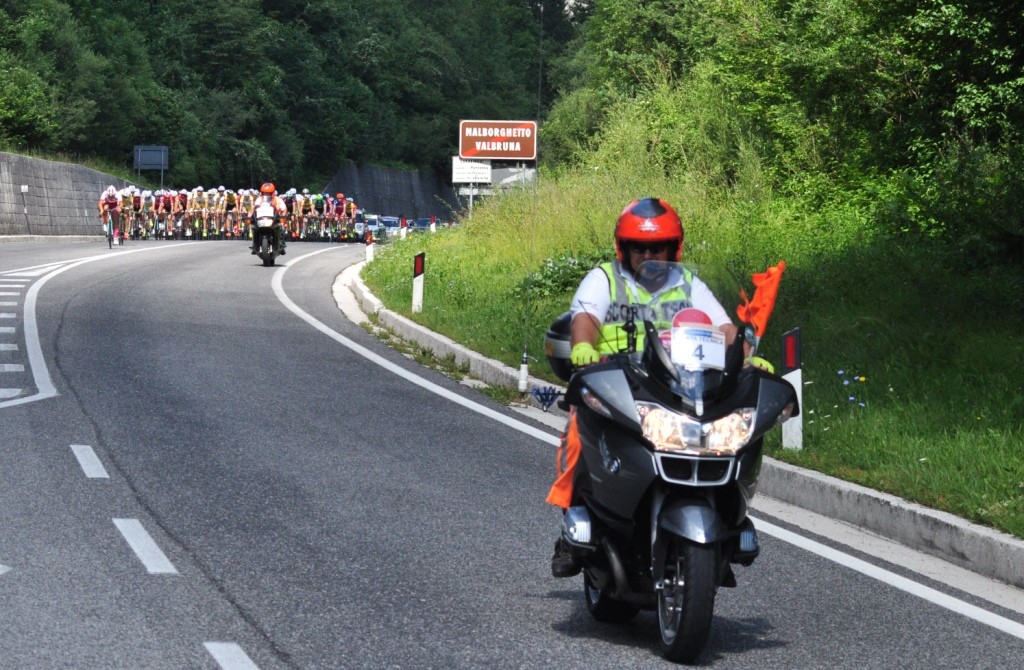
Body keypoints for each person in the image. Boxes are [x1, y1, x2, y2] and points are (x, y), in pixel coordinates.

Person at [548, 197, 738, 578]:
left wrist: (744, 355)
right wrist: (583, 346)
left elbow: (726, 328)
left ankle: (730, 522)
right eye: (639, 247)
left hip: (674, 388)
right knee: (578, 431)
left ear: (674, 248)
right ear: (624, 249)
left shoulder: (688, 284)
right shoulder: (605, 279)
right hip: (616, 385)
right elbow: (585, 317)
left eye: (657, 247)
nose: (648, 255)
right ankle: (573, 519)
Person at [251, 182, 287, 255]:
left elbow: (284, 209)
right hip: (261, 220)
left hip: (275, 219)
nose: (266, 194)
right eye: (264, 193)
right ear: (262, 193)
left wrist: (282, 216)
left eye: (269, 193)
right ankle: (254, 244)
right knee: (254, 228)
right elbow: (254, 209)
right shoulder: (259, 199)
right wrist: (252, 217)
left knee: (282, 229)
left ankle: (282, 245)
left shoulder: (278, 199)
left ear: (273, 193)